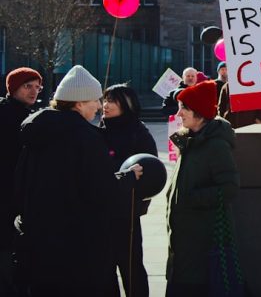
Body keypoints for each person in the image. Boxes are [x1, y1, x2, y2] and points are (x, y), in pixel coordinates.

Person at [14, 65, 142, 296]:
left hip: (41, 249)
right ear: (79, 103)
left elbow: (21, 186)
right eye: (95, 100)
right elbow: (102, 191)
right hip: (80, 249)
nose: (99, 106)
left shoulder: (36, 133)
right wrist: (128, 177)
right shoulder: (85, 138)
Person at [166, 80, 239, 297]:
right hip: (183, 240)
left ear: (199, 113)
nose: (179, 114)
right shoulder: (189, 140)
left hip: (202, 242)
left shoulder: (216, 145)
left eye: (184, 108)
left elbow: (229, 188)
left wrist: (191, 198)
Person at [100, 84, 158, 297]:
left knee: (131, 267)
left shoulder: (138, 133)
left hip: (127, 213)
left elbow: (152, 172)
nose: (106, 105)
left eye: (112, 101)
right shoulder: (99, 130)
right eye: (105, 100)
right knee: (104, 269)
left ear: (127, 104)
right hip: (101, 212)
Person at [0, 68, 41, 295]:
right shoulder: (8, 115)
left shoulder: (27, 114)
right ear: (13, 88)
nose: (33, 91)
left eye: (37, 87)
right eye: (28, 86)